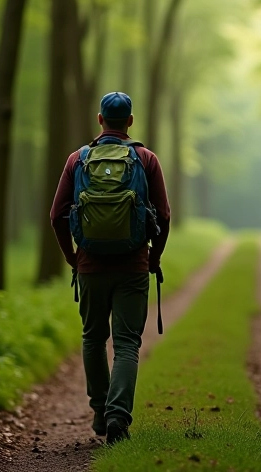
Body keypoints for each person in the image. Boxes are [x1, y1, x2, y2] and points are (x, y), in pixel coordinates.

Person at [49, 91, 171, 444]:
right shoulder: (145, 159)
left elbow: (56, 215)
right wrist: (154, 257)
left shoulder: (77, 159)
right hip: (133, 265)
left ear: (100, 119)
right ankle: (119, 415)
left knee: (92, 337)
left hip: (90, 265)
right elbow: (163, 215)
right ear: (130, 121)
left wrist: (72, 256)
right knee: (127, 344)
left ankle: (101, 410)